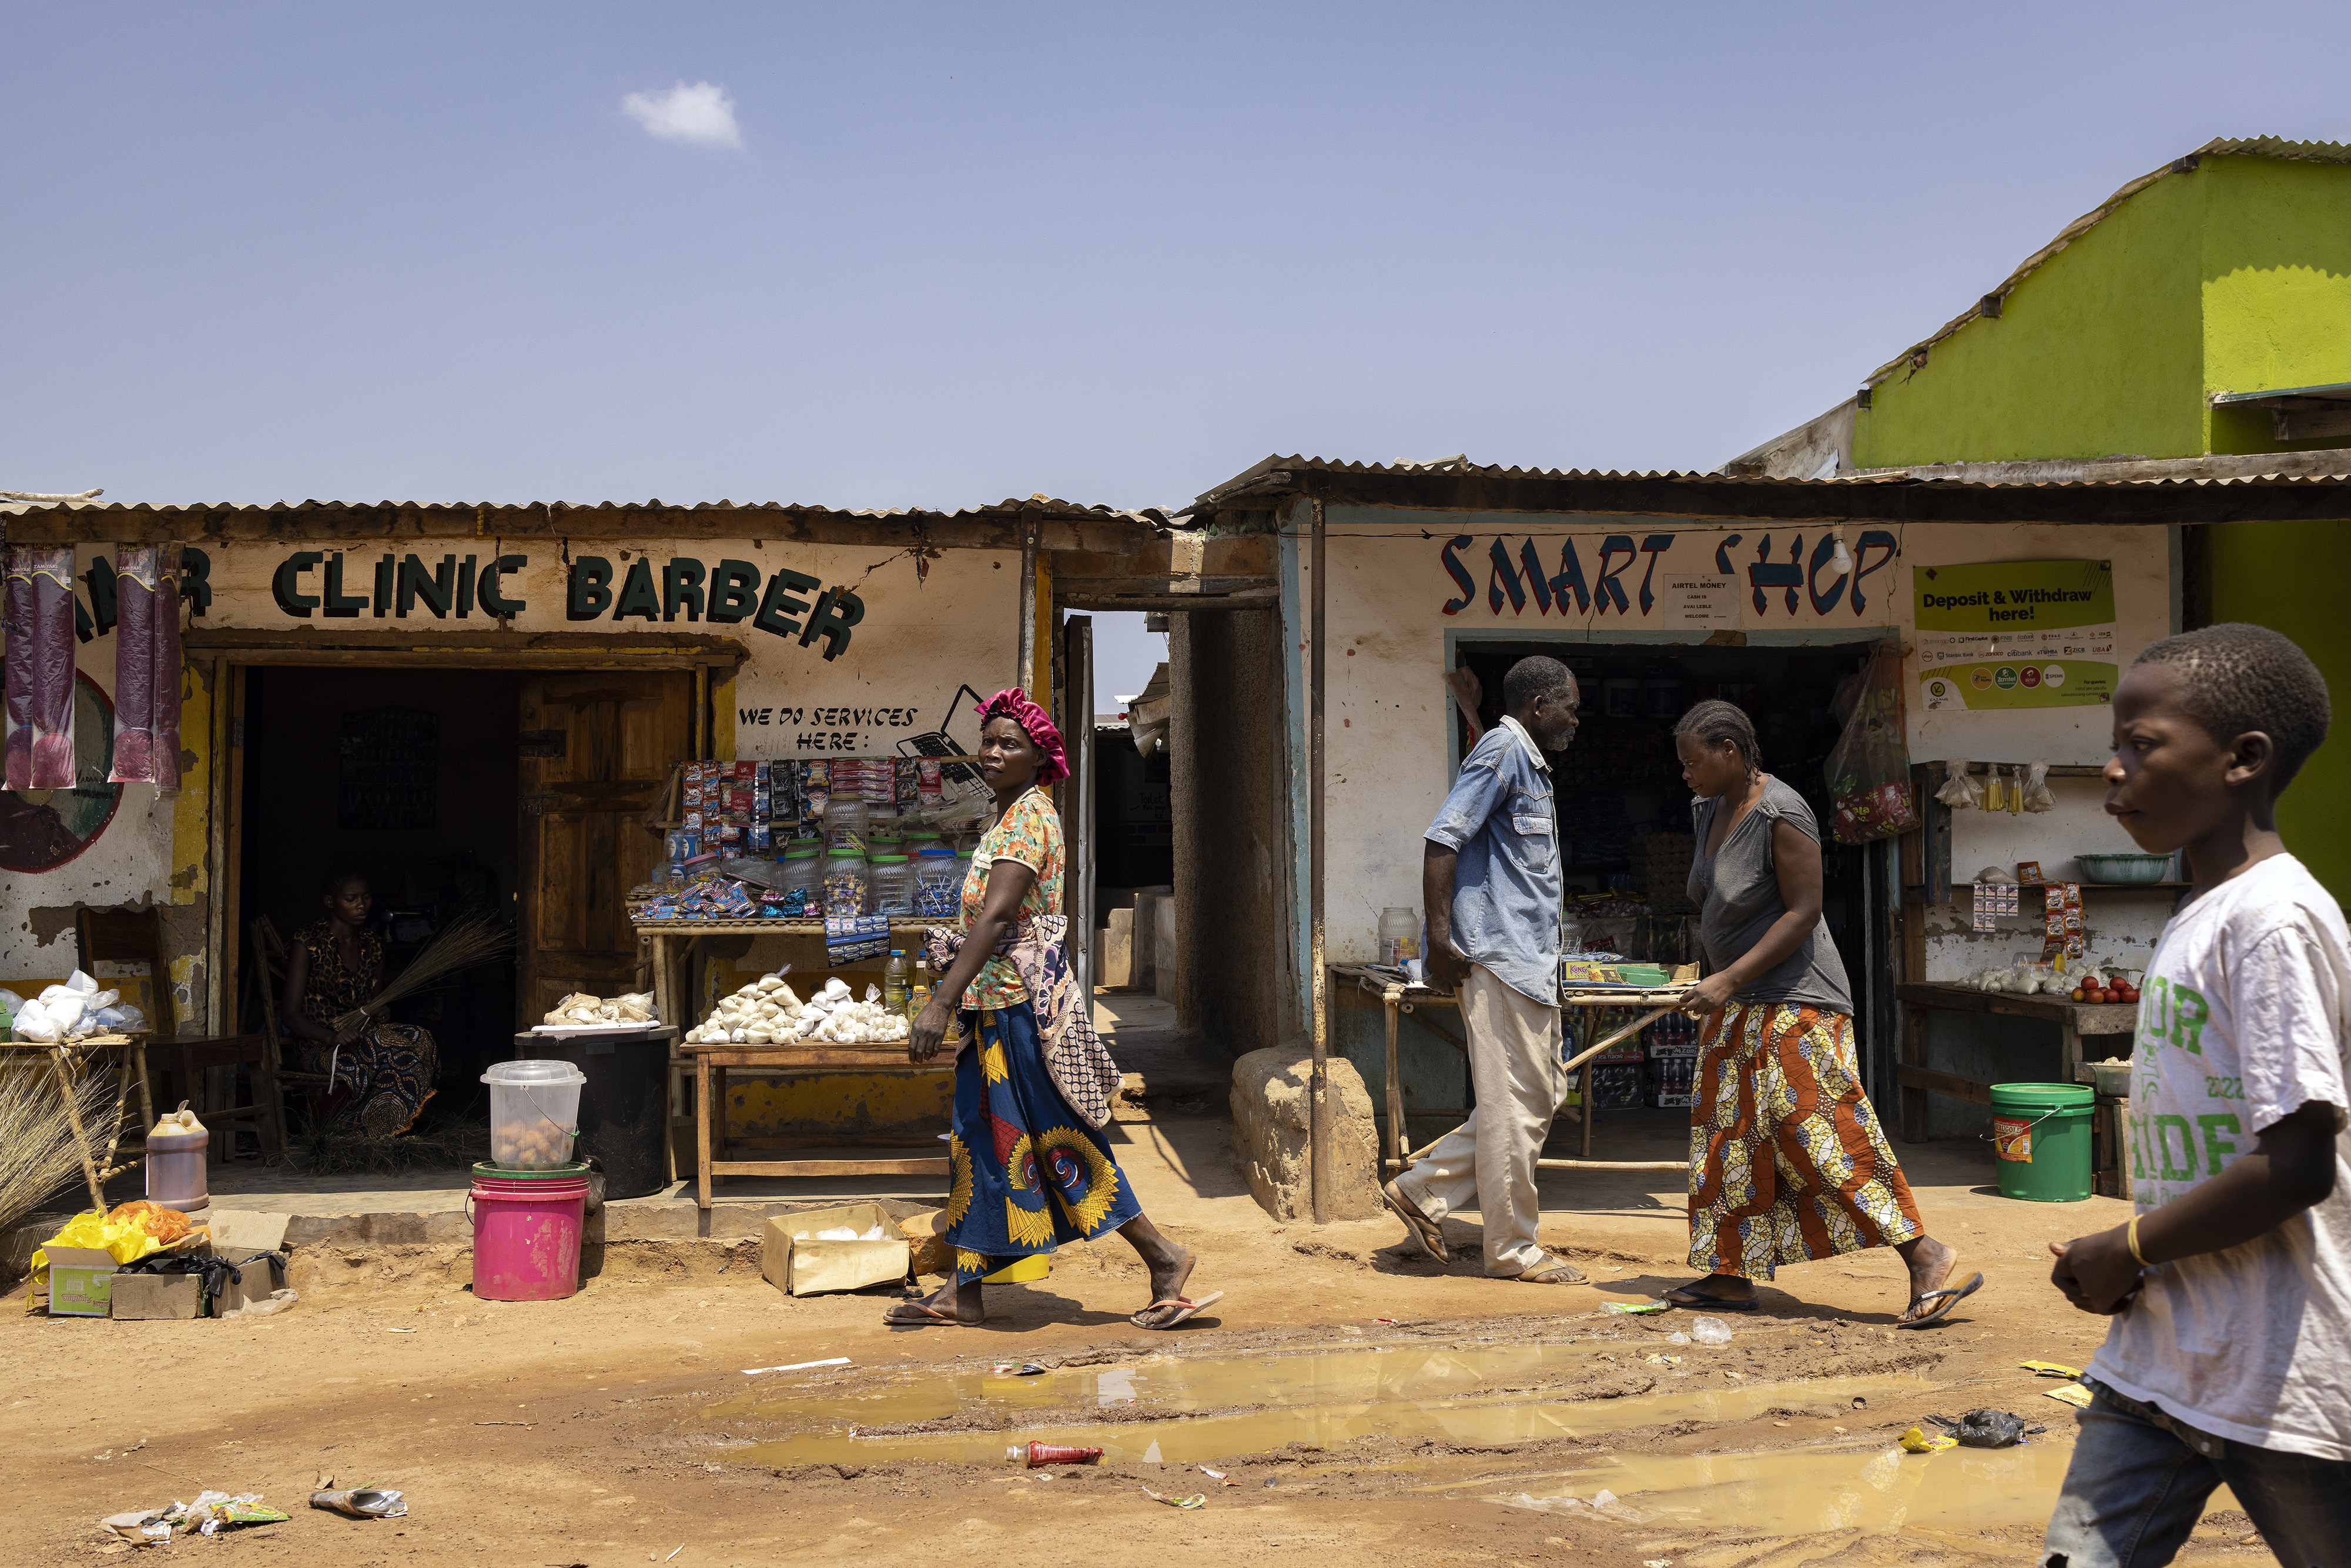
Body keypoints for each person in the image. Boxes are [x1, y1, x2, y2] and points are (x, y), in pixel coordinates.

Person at [2042, 625, 2350, 1567]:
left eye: (2143, 743)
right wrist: (2138, 1263)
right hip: (2162, 1358)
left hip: (2281, 1371)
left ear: (2242, 760)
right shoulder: (2202, 913)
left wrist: (2126, 1243)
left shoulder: (2275, 919)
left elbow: (2296, 1165)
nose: (2114, 767)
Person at [884, 687, 1215, 1330]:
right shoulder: (1005, 818)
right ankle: (964, 1289)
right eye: (988, 740)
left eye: (1010, 743)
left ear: (1041, 757)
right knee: (984, 1141)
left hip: (1016, 1009)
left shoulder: (1032, 817)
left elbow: (1001, 914)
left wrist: (940, 1001)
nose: (992, 752)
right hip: (993, 1005)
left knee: (1056, 1139)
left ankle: (1163, 1255)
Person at [1666, 699, 1971, 1322]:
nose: (1686, 773)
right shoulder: (1706, 810)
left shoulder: (1782, 811)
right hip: (1738, 1001)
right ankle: (1729, 1273)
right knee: (1729, 1141)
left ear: (1730, 750)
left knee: (1818, 1132)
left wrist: (1728, 977)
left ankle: (1924, 1253)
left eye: (1693, 761)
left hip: (1795, 999)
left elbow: (1803, 910)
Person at [1382, 655, 1587, 1285]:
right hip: (1497, 960)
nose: (1575, 721)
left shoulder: (1531, 765)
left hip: (1528, 963)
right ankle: (1512, 1250)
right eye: (1569, 708)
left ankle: (1420, 1189)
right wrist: (1439, 939)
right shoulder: (1502, 751)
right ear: (1538, 706)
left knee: (1540, 1096)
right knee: (1513, 1109)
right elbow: (1443, 840)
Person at [280, 869, 440, 1138]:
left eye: (366, 897)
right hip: (321, 1047)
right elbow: (290, 1015)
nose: (361, 905)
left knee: (420, 1038)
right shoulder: (308, 942)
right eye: (351, 899)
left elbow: (372, 1004)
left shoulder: (373, 945)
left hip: (364, 1038)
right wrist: (332, 1037)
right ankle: (356, 1131)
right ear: (331, 902)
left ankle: (387, 1125)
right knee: (388, 1052)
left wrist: (381, 1012)